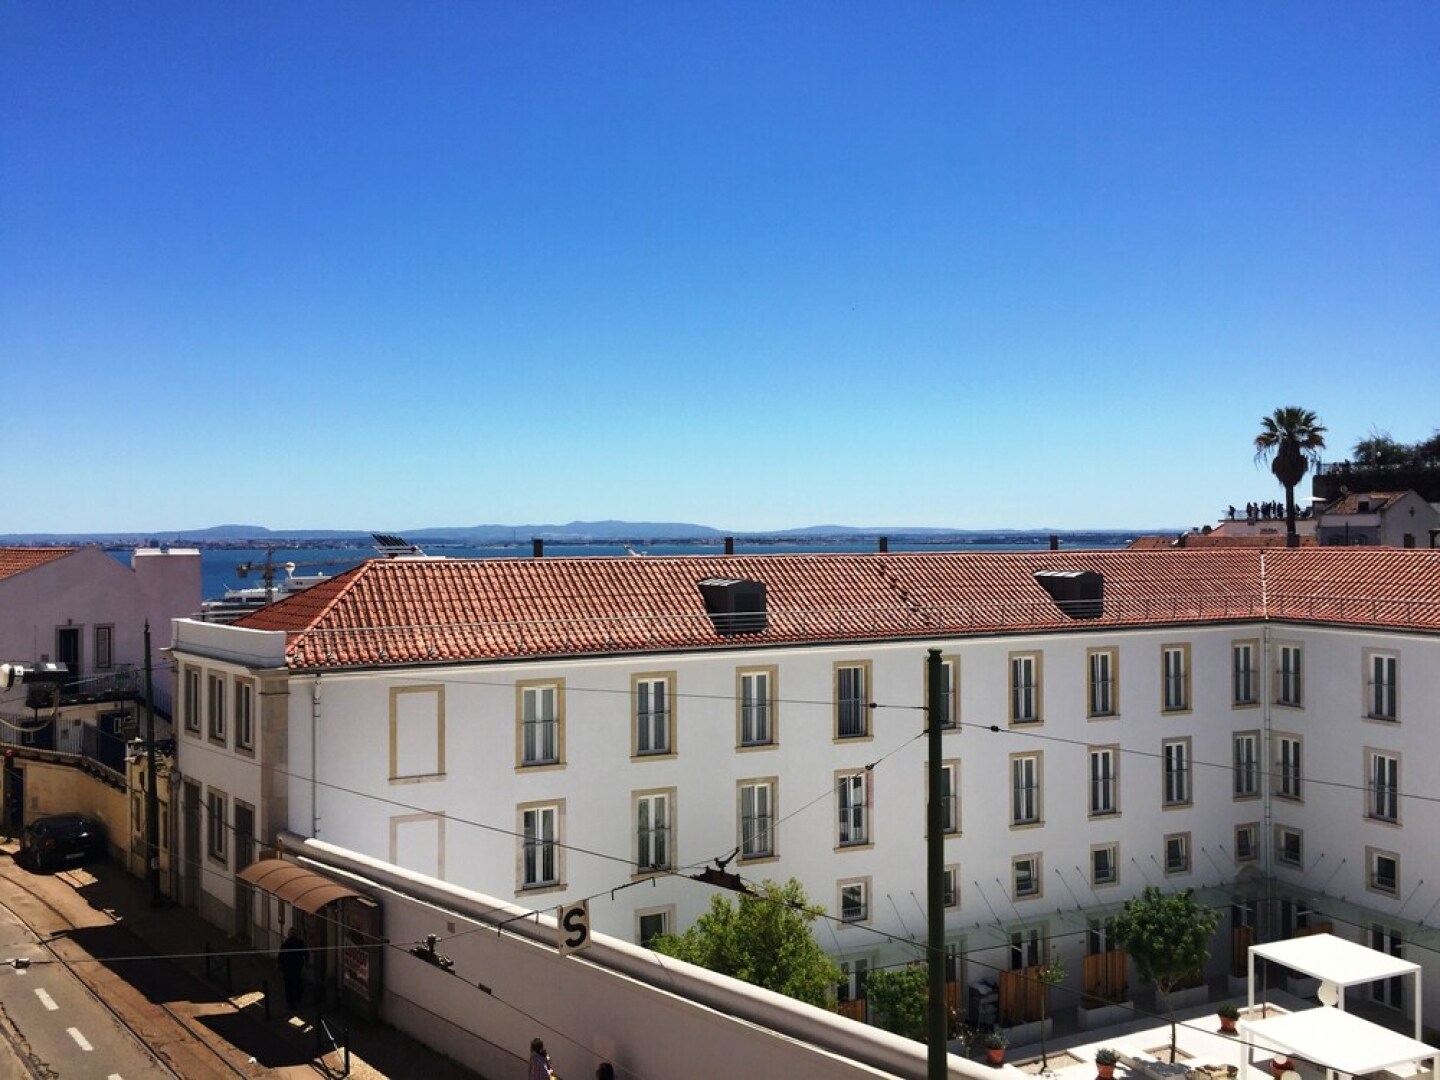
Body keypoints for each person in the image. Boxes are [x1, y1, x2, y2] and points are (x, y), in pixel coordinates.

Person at [278, 930, 309, 1013]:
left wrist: (280, 966)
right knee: (297, 982)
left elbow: (280, 956)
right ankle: (297, 998)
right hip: (297, 967)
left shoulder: (285, 944)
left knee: (288, 985)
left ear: (289, 935)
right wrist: (306, 961)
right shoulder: (300, 943)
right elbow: (306, 953)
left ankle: (290, 1002)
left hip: (287, 968)